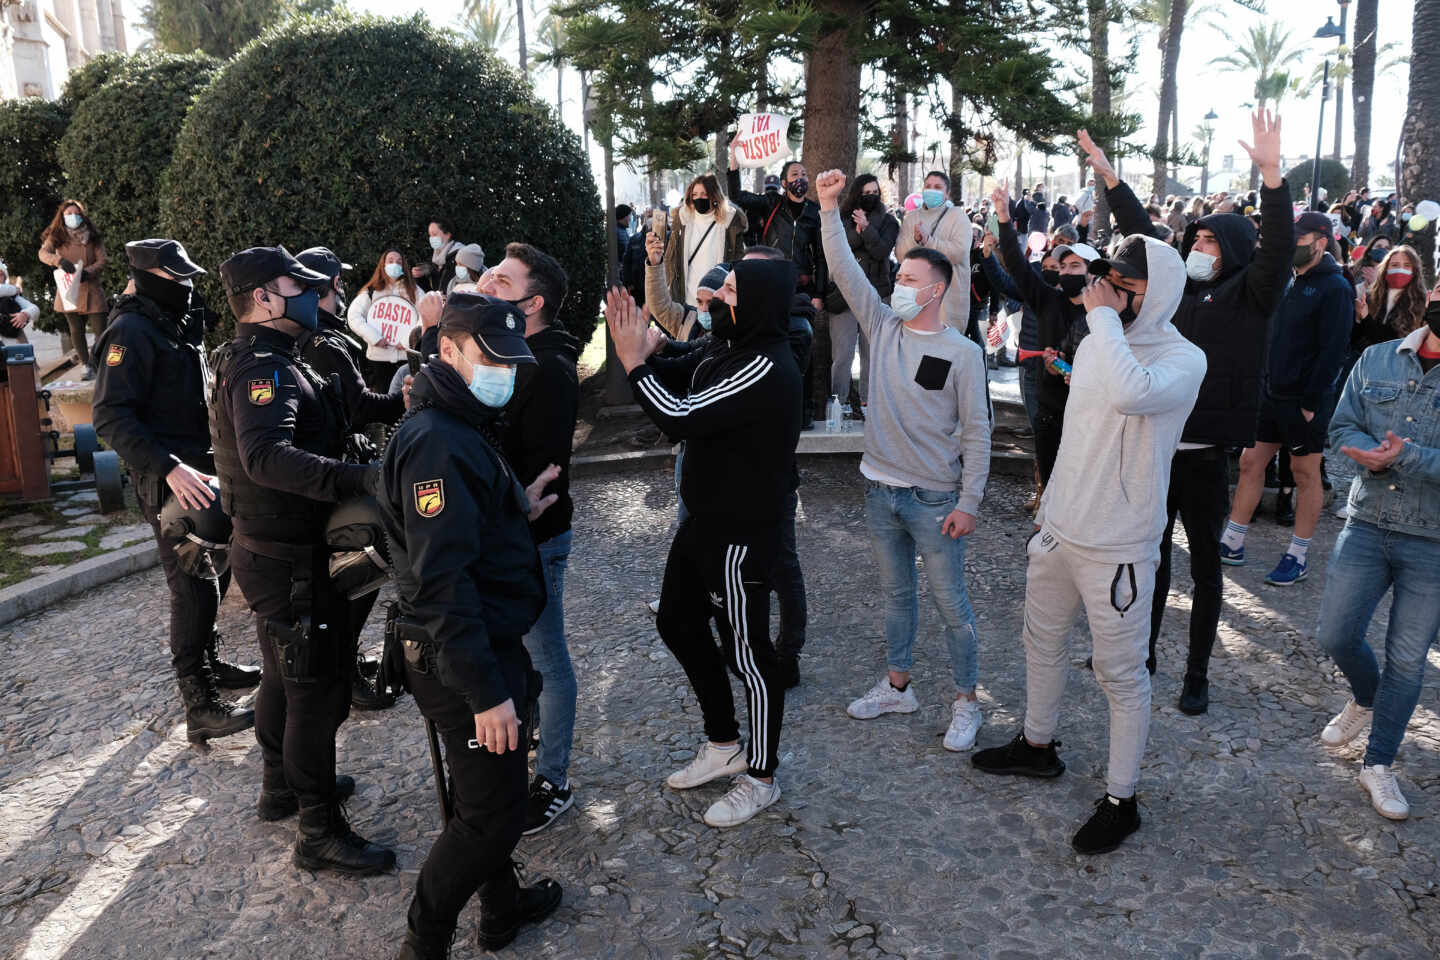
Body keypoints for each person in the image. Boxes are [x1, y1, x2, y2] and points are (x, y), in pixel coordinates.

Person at [972, 233, 1206, 855]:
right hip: (1061, 528)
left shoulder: (1184, 357)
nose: (1107, 288)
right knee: (1039, 643)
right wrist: (1049, 508)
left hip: (1119, 544)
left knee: (1120, 673)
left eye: (1126, 282)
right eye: (1109, 277)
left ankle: (1121, 798)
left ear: (1160, 293)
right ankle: (1037, 744)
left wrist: (1103, 318)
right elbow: (1084, 415)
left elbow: (1132, 394)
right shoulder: (1102, 334)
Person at [1079, 111, 1294, 713]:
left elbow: (1276, 248)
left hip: (1204, 453)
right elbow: (1143, 234)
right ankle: (1141, 656)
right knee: (1149, 557)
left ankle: (1196, 671)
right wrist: (1109, 178)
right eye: (1195, 239)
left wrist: (1272, 178)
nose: (1198, 249)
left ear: (1232, 250)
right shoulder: (1176, 292)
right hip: (1155, 446)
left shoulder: (1252, 292)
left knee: (1204, 569)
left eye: (1209, 241)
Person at [382, 293, 564, 959]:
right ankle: (424, 940)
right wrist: (486, 692)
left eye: (513, 362)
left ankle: (502, 907)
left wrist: (514, 507)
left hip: (480, 642)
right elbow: (440, 582)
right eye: (491, 359)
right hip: (462, 655)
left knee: (489, 796)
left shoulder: (457, 422)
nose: (505, 373)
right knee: (491, 816)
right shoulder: (436, 440)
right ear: (448, 351)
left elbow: (463, 531)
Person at [210, 245, 393, 874]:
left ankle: (279, 785)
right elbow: (265, 456)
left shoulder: (267, 357)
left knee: (284, 677)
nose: (315, 296)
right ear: (264, 298)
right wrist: (362, 479)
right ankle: (318, 829)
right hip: (287, 559)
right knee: (316, 691)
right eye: (300, 286)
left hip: (273, 552)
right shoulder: (264, 367)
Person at [605, 255, 802, 829]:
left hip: (743, 533)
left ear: (759, 303)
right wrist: (649, 348)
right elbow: (682, 370)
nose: (718, 297)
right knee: (676, 622)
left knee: (751, 656)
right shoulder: (726, 346)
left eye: (732, 290)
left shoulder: (766, 364)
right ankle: (723, 743)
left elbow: (681, 415)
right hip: (704, 522)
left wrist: (632, 363)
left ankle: (762, 776)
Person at [816, 169, 993, 752]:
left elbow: (977, 433)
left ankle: (968, 700)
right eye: (900, 274)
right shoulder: (882, 326)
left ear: (936, 289)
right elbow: (843, 267)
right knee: (895, 597)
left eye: (912, 277)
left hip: (936, 500)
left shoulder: (963, 354)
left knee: (951, 605)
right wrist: (826, 207)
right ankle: (899, 685)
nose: (900, 282)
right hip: (880, 492)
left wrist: (969, 502)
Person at [91, 238, 260, 745]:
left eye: (189, 278)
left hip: (206, 469)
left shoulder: (175, 323)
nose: (186, 287)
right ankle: (199, 703)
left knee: (219, 571)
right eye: (176, 279)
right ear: (147, 278)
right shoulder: (130, 332)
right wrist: (168, 469)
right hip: (168, 479)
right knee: (191, 584)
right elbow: (110, 416)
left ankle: (211, 662)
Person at [1315, 281, 1440, 822]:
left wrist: (1406, 456)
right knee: (1335, 635)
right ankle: (1366, 697)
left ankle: (1378, 762)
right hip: (1366, 522)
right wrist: (1364, 451)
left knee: (1408, 659)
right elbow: (1341, 423)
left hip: (1433, 540)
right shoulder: (1378, 358)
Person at [478, 243, 583, 836]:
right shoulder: (511, 353)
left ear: (532, 302)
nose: (488, 285)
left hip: (536, 537)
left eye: (502, 281)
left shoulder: (547, 369)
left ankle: (555, 778)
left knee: (548, 654)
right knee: (523, 654)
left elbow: (534, 465)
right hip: (504, 534)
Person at [295, 245, 406, 711]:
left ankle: (339, 662)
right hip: (335, 472)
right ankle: (343, 670)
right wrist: (405, 399)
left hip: (324, 470)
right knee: (361, 569)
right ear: (331, 287)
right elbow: (359, 407)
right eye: (338, 282)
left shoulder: (309, 336)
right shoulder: (324, 342)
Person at [1220, 211, 1354, 586]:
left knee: (1304, 473)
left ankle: (1298, 554)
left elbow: (1333, 351)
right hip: (1271, 394)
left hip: (1304, 401)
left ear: (1321, 242)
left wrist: (1310, 403)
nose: (1292, 245)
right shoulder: (1289, 280)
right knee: (1251, 462)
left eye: (1300, 239)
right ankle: (1232, 540)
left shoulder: (1336, 287)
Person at [992, 180, 1098, 489]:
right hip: (1050, 411)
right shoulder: (1048, 300)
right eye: (1062, 267)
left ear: (1092, 272)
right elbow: (1016, 266)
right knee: (1053, 486)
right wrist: (1002, 218)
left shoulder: (1107, 312)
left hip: (1090, 417)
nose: (1064, 272)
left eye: (1074, 266)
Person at [725, 148, 826, 424]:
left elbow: (821, 256)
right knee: (770, 346)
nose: (801, 179)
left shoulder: (815, 212)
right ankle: (769, 409)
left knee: (804, 346)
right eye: (795, 174)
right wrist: (733, 163)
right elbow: (737, 198)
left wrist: (818, 294)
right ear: (784, 183)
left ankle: (804, 411)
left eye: (804, 174)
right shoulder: (771, 203)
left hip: (802, 293)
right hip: (771, 289)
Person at [825, 174, 898, 417]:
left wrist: (866, 228)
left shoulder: (889, 222)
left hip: (877, 295)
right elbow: (840, 248)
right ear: (857, 193)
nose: (871, 196)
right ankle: (839, 403)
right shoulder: (842, 219)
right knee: (842, 355)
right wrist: (860, 233)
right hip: (844, 296)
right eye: (866, 192)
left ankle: (869, 402)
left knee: (872, 354)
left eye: (875, 192)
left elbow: (881, 251)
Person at [37, 199, 107, 379]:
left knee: (101, 331)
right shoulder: (57, 235)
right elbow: (43, 253)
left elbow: (102, 260)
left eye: (76, 213)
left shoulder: (92, 235)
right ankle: (86, 365)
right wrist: (58, 261)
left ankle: (98, 363)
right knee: (76, 330)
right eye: (68, 214)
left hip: (91, 286)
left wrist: (87, 272)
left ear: (82, 215)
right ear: (62, 216)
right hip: (68, 288)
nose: (73, 217)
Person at [896, 171, 973, 333]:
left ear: (947, 193)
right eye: (928, 186)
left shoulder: (959, 217)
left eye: (937, 187)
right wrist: (915, 240)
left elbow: (959, 252)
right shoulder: (911, 218)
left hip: (949, 302)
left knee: (946, 354)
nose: (932, 190)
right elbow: (901, 254)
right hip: (914, 302)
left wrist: (928, 241)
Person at [662, 174, 748, 308]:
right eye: (695, 194)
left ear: (714, 196)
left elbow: (738, 261)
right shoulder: (683, 220)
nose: (698, 198)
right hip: (686, 299)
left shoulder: (729, 222)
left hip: (716, 298)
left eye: (703, 194)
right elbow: (670, 258)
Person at [348, 248, 421, 390]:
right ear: (383, 265)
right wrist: (375, 338)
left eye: (399, 262)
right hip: (378, 359)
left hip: (405, 359)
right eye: (391, 261)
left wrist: (406, 340)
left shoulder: (414, 291)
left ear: (404, 266)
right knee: (384, 400)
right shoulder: (371, 292)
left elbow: (425, 316)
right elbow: (354, 316)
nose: (395, 264)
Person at [413, 217, 462, 292]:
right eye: (430, 235)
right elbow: (431, 292)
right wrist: (420, 277)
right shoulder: (435, 260)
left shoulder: (461, 257)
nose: (431, 238)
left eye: (434, 234)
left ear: (448, 235)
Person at [0, 259, 39, 341]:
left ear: (5, 277)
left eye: (0, 275)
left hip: (13, 342)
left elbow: (35, 309)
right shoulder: (12, 291)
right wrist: (14, 289)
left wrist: (25, 314)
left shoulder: (12, 297)